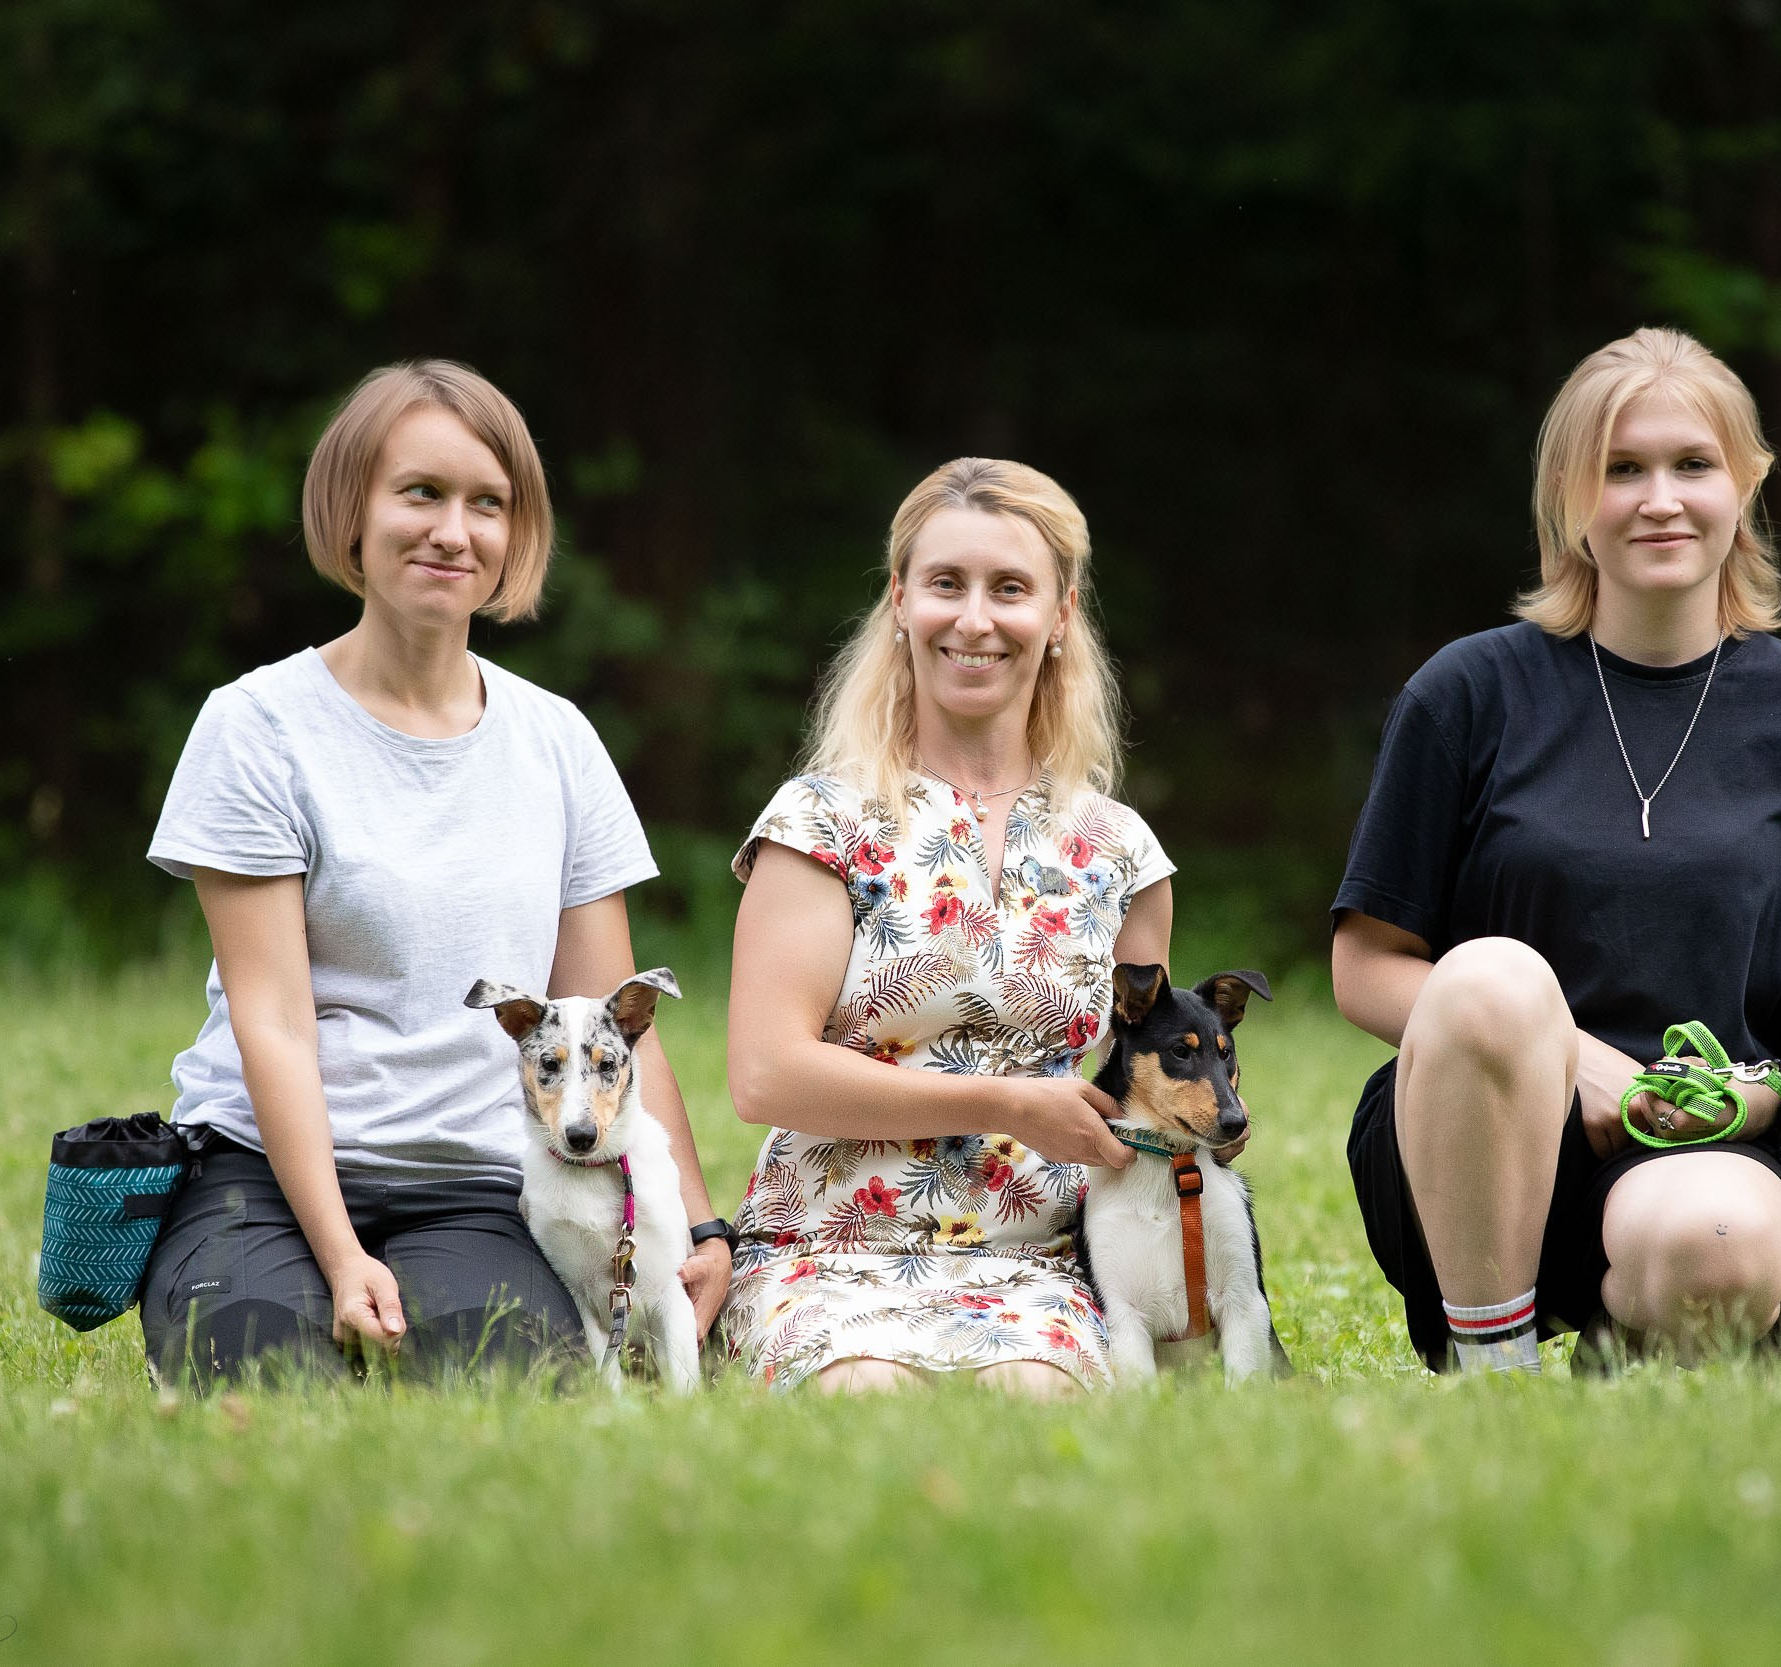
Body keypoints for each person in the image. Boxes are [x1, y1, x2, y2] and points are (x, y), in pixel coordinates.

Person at [1331, 327, 1781, 1375]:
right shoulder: (1465, 695)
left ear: (1744, 484)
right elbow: (1364, 965)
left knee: (1723, 1249)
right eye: (1621, 468)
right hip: (1470, 1131)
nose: (1659, 498)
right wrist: (1572, 1061)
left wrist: (1751, 1094)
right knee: (1496, 975)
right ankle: (1488, 1366)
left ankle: (1635, 1336)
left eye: (1693, 464)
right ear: (1568, 495)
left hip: (1708, 1138)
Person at [139, 360, 732, 1387]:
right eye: (420, 492)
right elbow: (271, 1022)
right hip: (263, 1172)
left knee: (511, 1385)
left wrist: (694, 1219)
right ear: (350, 511)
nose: (454, 530)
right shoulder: (256, 727)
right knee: (262, 1370)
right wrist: (339, 1255)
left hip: (477, 1181)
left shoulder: (557, 740)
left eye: (487, 503)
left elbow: (615, 1023)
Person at [720, 457, 1177, 1395]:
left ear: (1059, 617)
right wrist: (1003, 1103)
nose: (975, 619)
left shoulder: (1121, 853)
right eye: (945, 584)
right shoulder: (821, 823)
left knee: (1033, 1397)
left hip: (1040, 1264)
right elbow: (765, 1073)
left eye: (1010, 588)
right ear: (899, 601)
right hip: (826, 1249)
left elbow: (1141, 1083)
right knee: (867, 1391)